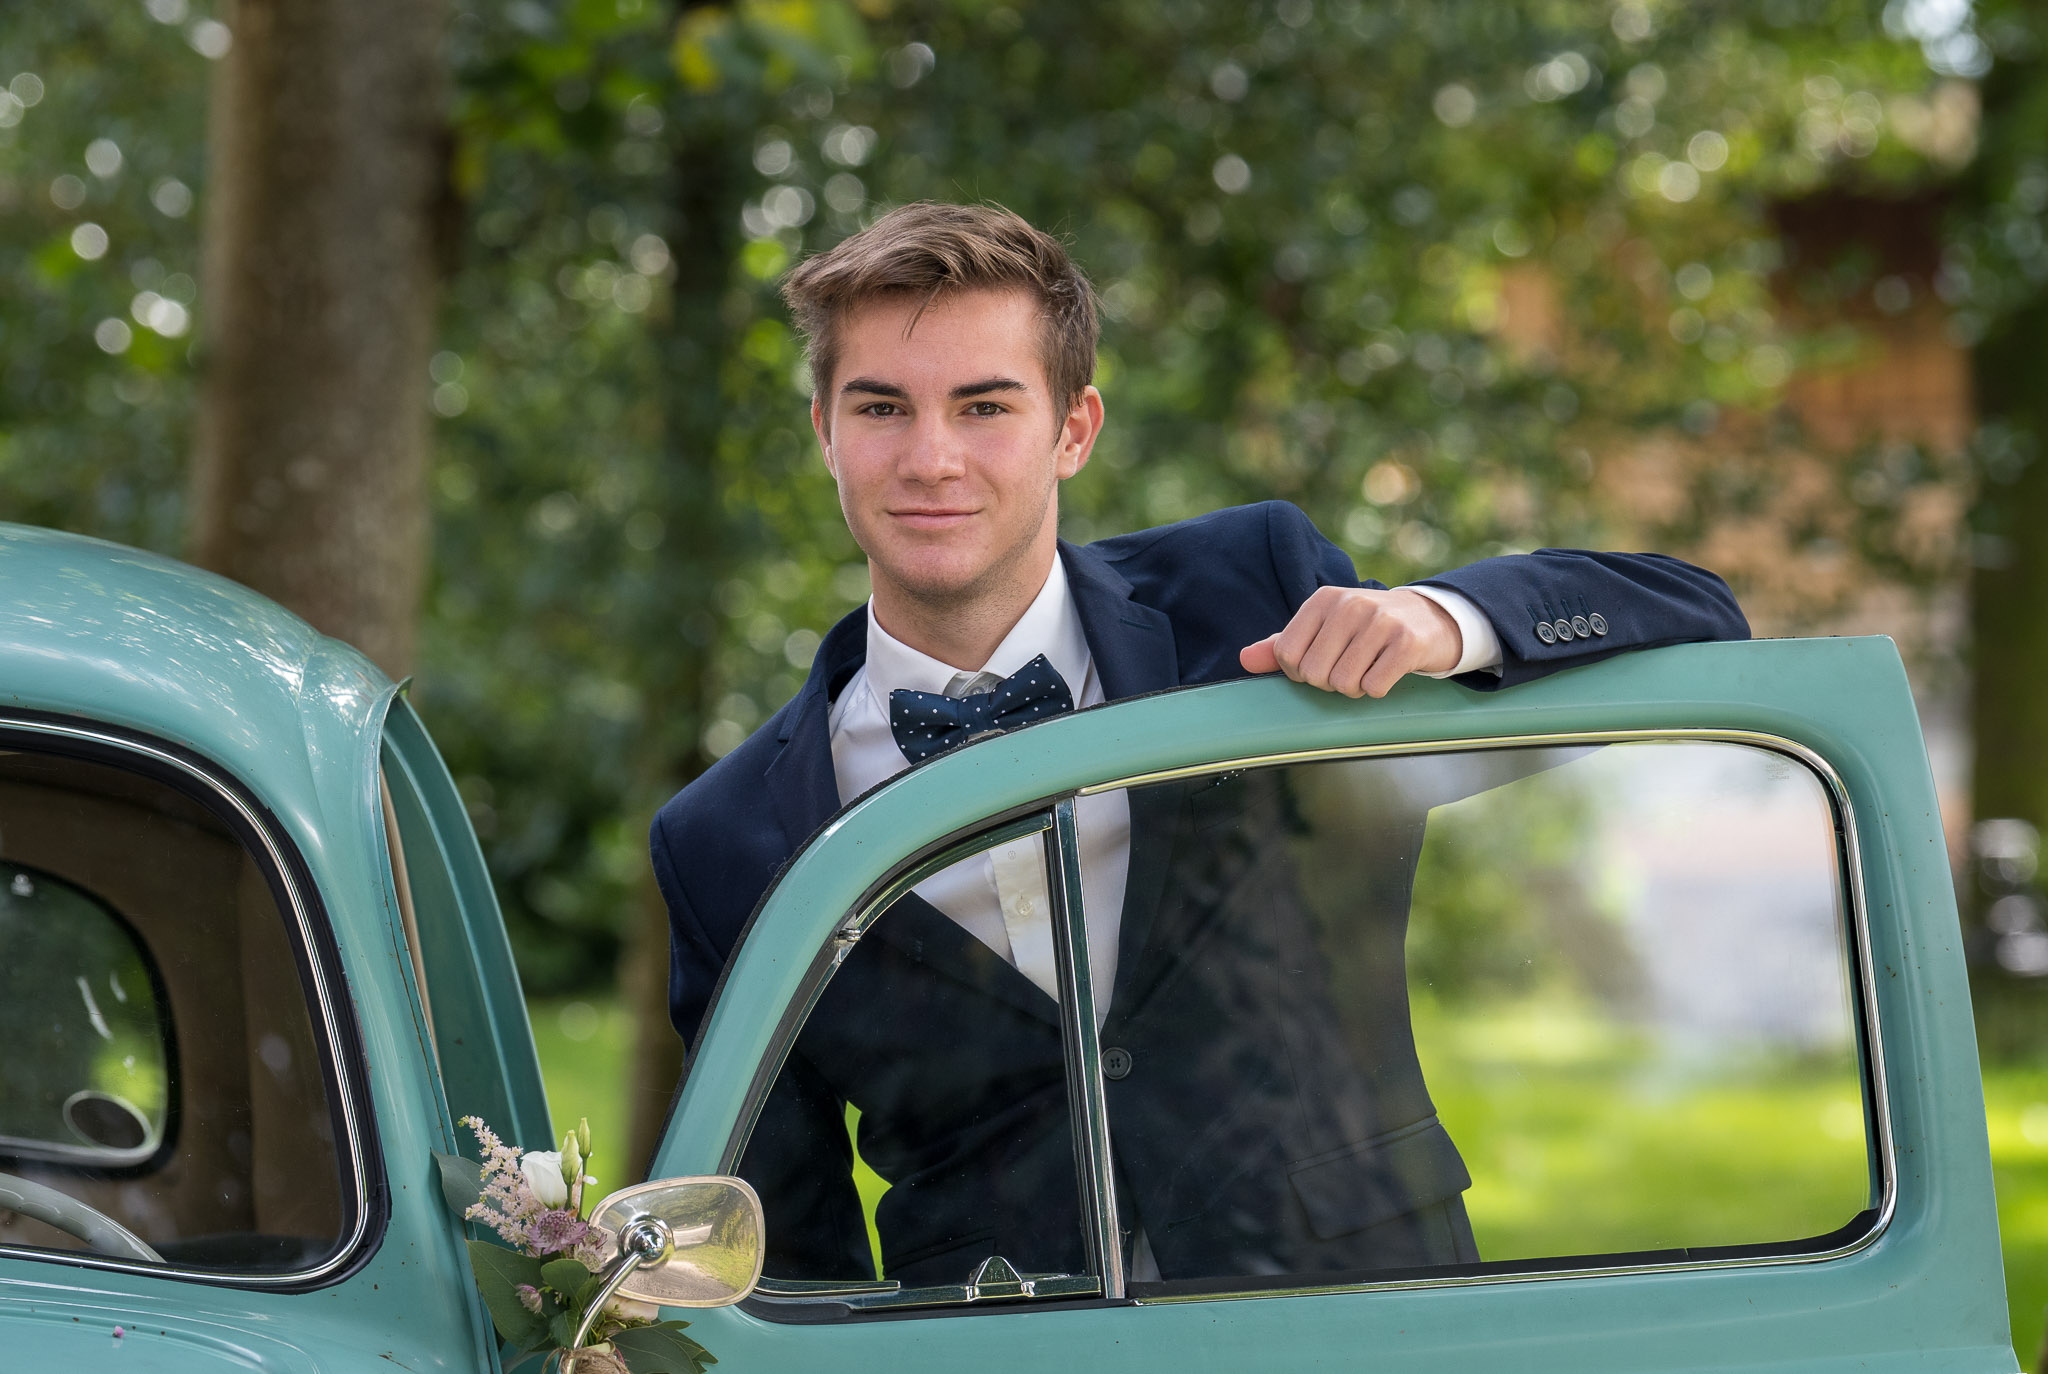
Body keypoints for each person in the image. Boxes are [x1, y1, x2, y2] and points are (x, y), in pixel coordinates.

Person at [650, 201, 1749, 1289]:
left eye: (984, 406)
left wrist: (1441, 621)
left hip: (1356, 1313)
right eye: (882, 407)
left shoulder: (1250, 587)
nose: (930, 457)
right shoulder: (722, 840)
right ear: (823, 434)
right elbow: (785, 1261)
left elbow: (1695, 612)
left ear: (1073, 429)